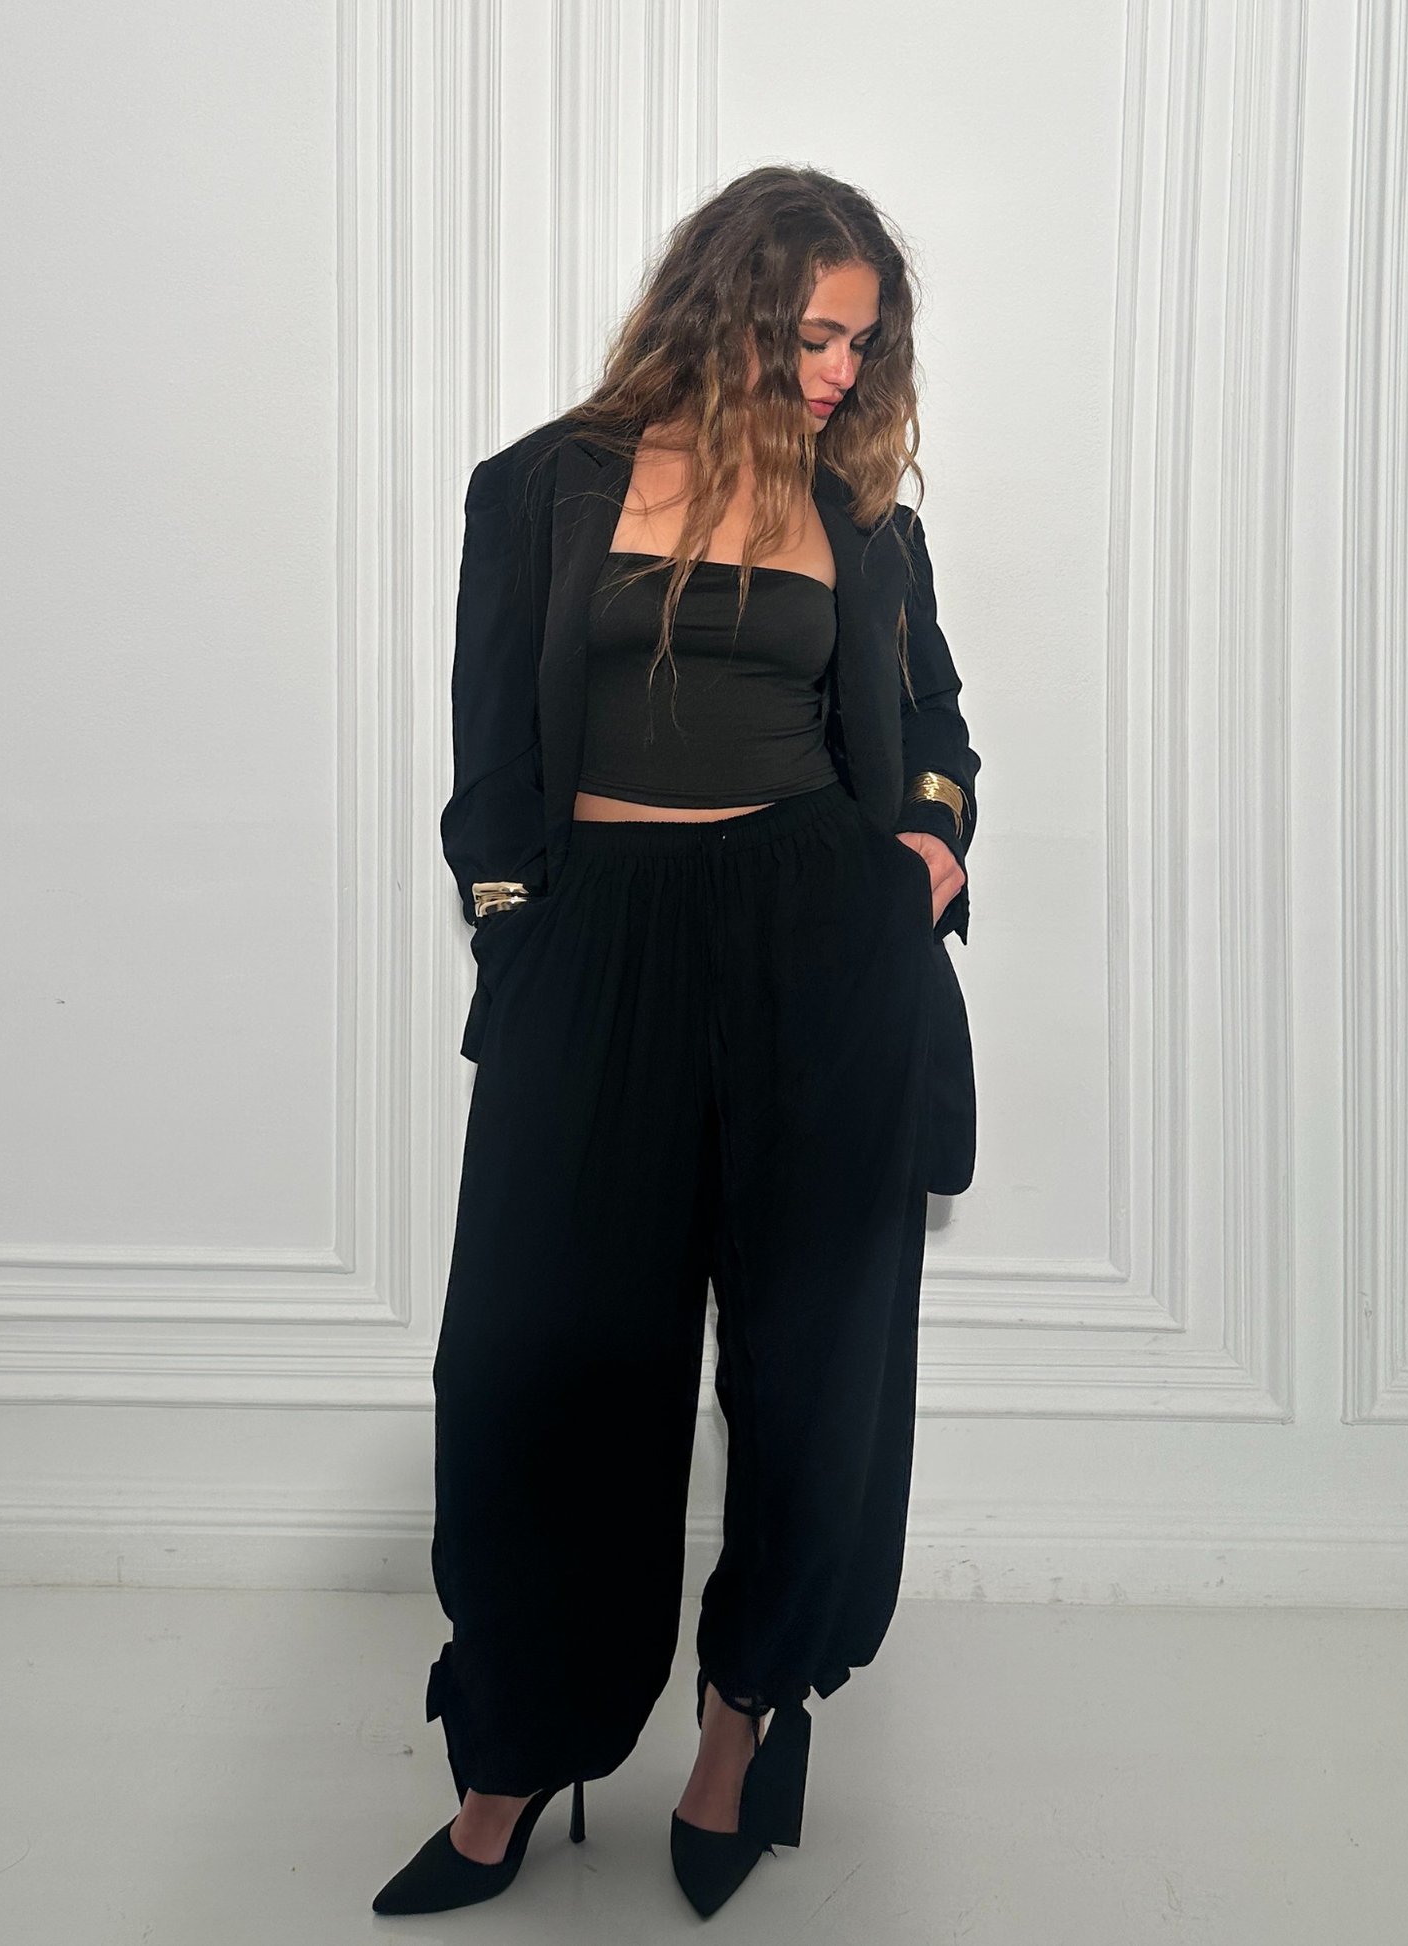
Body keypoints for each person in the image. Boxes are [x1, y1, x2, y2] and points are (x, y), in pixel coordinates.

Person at [372, 163, 982, 1921]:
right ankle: (512, 1756)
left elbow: (933, 719)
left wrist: (923, 851)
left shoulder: (859, 515)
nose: (840, 373)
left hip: (818, 948)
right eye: (815, 335)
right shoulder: (540, 486)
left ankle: (739, 1730)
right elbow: (492, 761)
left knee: (808, 1372)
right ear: (728, 307)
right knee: (535, 1366)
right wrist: (518, 931)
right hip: (598, 952)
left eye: (863, 344)